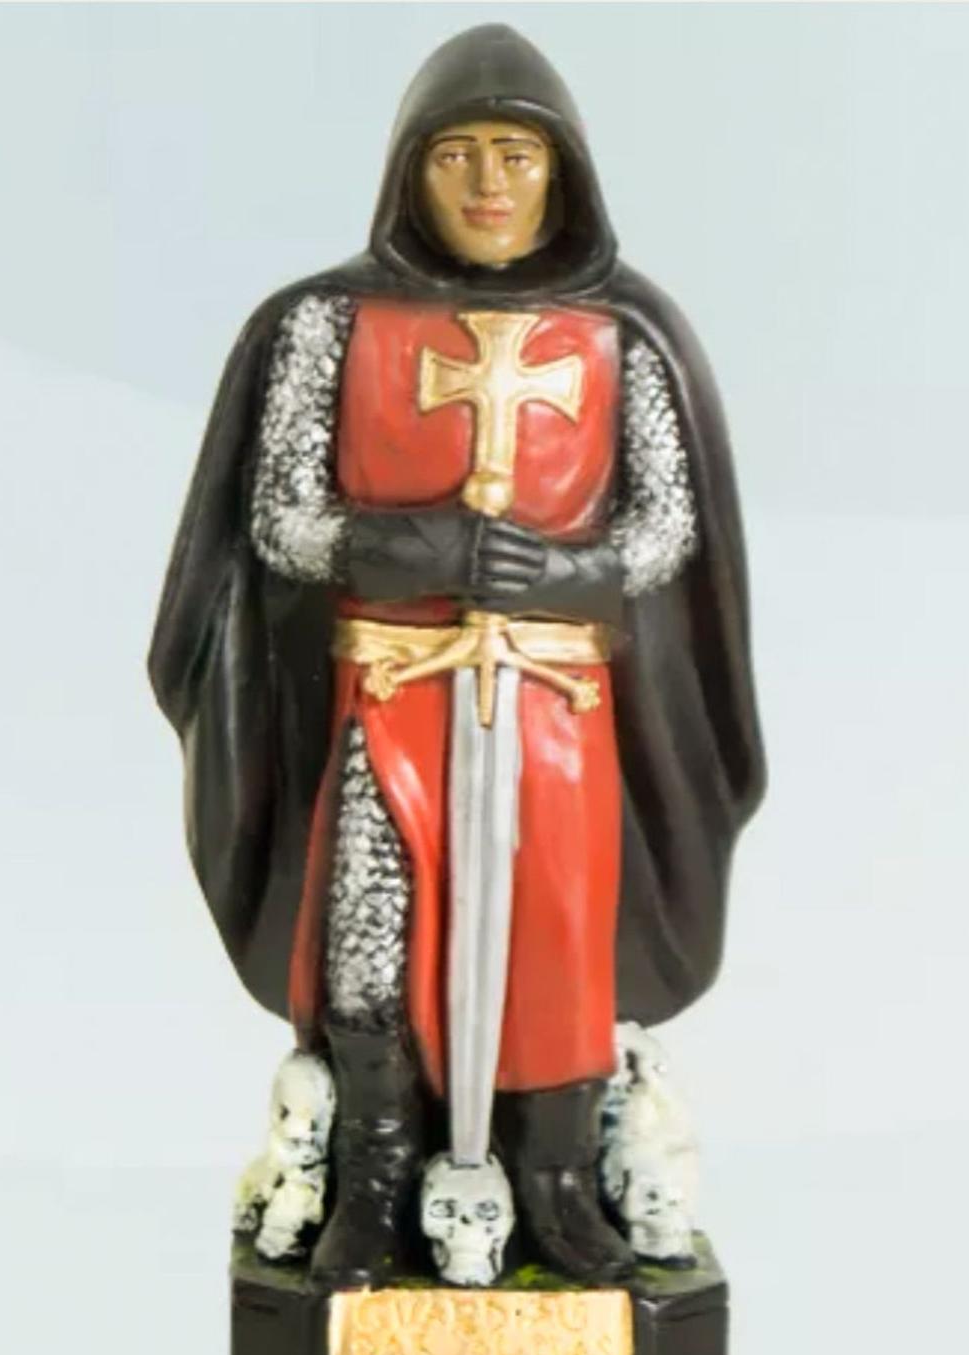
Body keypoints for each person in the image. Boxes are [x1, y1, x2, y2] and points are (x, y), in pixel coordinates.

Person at [148, 24, 765, 1289]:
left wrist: (564, 572)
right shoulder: (325, 324)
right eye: (458, 154)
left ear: (563, 172)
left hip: (552, 707)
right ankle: (374, 1179)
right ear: (409, 169)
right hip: (390, 698)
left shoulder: (624, 334)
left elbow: (666, 531)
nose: (490, 183)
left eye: (518, 156)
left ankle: (554, 1185)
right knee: (363, 945)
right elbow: (280, 519)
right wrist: (415, 546)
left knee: (556, 947)